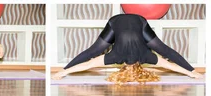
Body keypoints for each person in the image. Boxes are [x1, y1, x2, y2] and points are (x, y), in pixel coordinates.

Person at [52, 14, 203, 82]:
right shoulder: (117, 57)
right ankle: (64, 70)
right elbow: (88, 64)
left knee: (163, 49)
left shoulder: (146, 56)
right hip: (116, 22)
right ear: (122, 68)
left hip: (139, 21)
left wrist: (191, 72)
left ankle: (64, 70)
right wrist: (63, 72)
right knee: (94, 51)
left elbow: (170, 61)